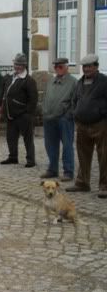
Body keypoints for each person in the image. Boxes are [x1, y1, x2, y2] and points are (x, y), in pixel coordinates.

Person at [66, 54, 107, 198]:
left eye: (90, 66)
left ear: (96, 67)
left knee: (104, 156)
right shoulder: (80, 82)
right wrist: (75, 113)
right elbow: (75, 100)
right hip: (82, 125)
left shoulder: (103, 81)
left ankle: (104, 186)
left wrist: (102, 112)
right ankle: (82, 183)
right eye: (84, 67)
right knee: (83, 155)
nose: (86, 69)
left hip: (100, 125)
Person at [0, 53, 38, 168]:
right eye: (15, 64)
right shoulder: (9, 78)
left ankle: (31, 160)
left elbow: (33, 100)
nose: (17, 66)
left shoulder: (29, 81)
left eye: (19, 65)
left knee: (27, 138)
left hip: (23, 115)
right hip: (10, 113)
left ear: (24, 66)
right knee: (11, 137)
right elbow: (3, 93)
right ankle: (13, 157)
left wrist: (27, 114)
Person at [40, 57, 76, 181]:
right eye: (55, 66)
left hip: (64, 119)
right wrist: (44, 110)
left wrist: (68, 115)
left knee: (67, 146)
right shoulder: (51, 81)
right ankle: (53, 169)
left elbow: (76, 101)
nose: (57, 69)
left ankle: (68, 171)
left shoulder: (73, 82)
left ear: (67, 67)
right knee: (50, 145)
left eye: (60, 66)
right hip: (49, 118)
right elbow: (46, 97)